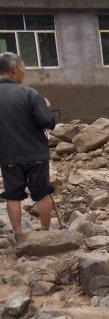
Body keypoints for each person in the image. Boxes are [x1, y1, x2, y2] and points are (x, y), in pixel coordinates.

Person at [0, 53, 57, 239]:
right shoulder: (30, 94)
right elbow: (48, 122)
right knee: (42, 193)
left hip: (8, 155)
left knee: (12, 195)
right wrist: (45, 106)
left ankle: (18, 234)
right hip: (36, 155)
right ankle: (46, 233)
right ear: (15, 69)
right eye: (23, 68)